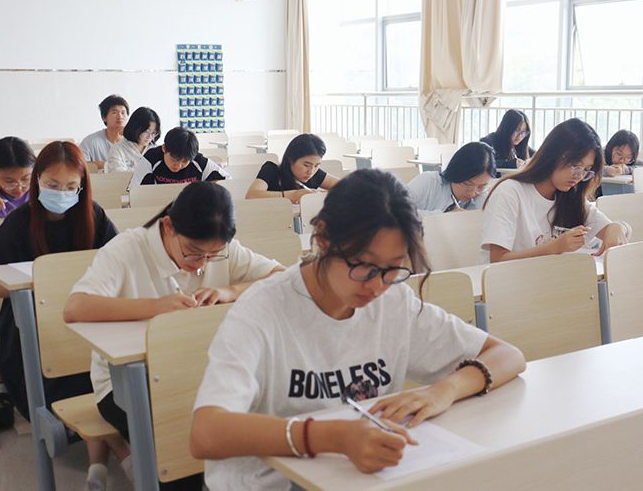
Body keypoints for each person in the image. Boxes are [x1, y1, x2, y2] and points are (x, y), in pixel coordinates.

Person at [190, 169, 526, 490]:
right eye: (363, 266)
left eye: (393, 268)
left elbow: (507, 356)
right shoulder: (263, 309)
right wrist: (332, 437)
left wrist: (443, 390)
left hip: (362, 479)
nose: (377, 286)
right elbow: (206, 433)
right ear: (322, 239)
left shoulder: (394, 301)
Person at [63, 182, 285, 489]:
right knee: (181, 449)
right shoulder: (127, 249)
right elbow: (75, 308)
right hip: (126, 385)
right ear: (168, 226)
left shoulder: (222, 248)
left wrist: (230, 290)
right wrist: (155, 307)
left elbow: (282, 278)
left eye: (212, 256)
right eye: (193, 253)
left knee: (260, 430)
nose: (201, 265)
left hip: (198, 374)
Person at [0, 141, 130, 491]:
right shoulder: (20, 222)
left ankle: (99, 467)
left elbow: (119, 263)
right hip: (29, 330)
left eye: (70, 187)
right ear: (37, 181)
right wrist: (46, 281)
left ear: (81, 186)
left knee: (102, 379)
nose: (61, 193)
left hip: (85, 322)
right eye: (52, 185)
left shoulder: (92, 215)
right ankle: (123, 456)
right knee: (74, 379)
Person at [482, 118, 631, 264]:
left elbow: (609, 228)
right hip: (508, 278)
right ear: (553, 154)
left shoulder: (570, 196)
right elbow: (498, 259)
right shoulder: (509, 192)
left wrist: (617, 227)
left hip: (548, 277)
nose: (579, 176)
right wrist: (554, 247)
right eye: (575, 165)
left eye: (586, 170)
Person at [405, 142, 496, 216]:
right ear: (456, 172)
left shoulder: (480, 195)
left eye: (481, 187)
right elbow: (397, 212)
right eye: (467, 184)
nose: (472, 193)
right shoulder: (428, 181)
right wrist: (445, 217)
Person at [245, 134, 339, 204]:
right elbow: (251, 196)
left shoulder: (315, 173)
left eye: (316, 165)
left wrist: (323, 195)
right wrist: (293, 195)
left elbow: (345, 187)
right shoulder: (271, 170)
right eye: (306, 165)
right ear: (291, 159)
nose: (311, 171)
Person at [129, 126, 229, 186]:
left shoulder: (197, 160)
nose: (178, 165)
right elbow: (134, 189)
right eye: (174, 159)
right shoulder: (151, 158)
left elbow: (227, 180)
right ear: (164, 148)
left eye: (184, 161)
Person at [79, 95, 130, 170]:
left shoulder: (133, 142)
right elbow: (79, 167)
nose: (120, 116)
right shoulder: (90, 142)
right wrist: (102, 165)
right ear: (104, 117)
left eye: (123, 113)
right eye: (114, 112)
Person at [106, 107, 160, 173]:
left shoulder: (156, 151)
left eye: (153, 133)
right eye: (146, 131)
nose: (149, 136)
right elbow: (117, 174)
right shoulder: (118, 149)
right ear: (134, 128)